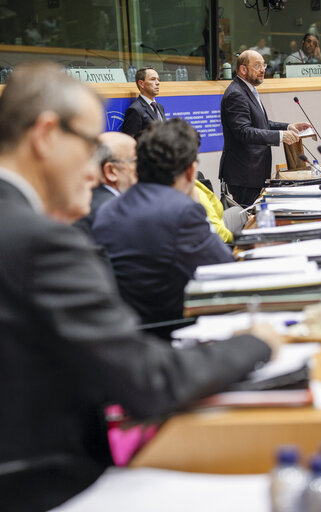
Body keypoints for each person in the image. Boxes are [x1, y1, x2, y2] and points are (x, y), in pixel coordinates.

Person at [0, 61, 278, 511]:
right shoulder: (40, 242)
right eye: (90, 148)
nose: (96, 174)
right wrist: (256, 343)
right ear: (46, 134)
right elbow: (147, 381)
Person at [93, 118, 235, 324]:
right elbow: (225, 269)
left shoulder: (109, 209)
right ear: (190, 171)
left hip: (129, 328)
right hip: (175, 327)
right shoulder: (181, 210)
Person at [219, 50, 310, 207]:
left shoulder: (249, 90)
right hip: (244, 176)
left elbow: (261, 123)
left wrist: (288, 126)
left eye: (264, 65)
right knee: (247, 223)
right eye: (257, 65)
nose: (263, 70)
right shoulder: (236, 94)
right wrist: (280, 136)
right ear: (243, 69)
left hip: (252, 174)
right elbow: (244, 132)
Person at [74, 131, 137, 236]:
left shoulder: (80, 202)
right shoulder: (117, 211)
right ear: (111, 171)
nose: (141, 167)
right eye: (135, 161)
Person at [120, 66, 165, 138]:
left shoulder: (160, 107)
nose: (158, 83)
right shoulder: (135, 110)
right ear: (141, 83)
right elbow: (130, 140)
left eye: (158, 79)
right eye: (153, 79)